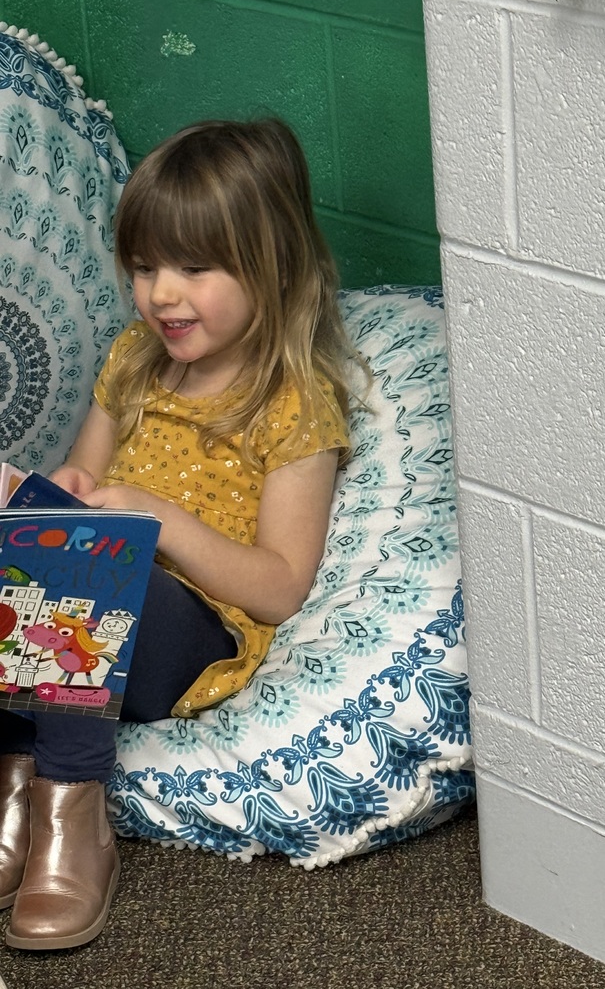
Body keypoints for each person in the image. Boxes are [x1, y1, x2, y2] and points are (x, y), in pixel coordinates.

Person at [0, 118, 364, 950]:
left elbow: (280, 586)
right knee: (33, 550)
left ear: (271, 266)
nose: (162, 293)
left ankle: (72, 817)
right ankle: (13, 780)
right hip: (84, 613)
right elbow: (81, 478)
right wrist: (55, 494)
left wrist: (155, 519)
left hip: (191, 630)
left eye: (194, 269)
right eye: (145, 267)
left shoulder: (292, 402)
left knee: (79, 568)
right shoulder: (135, 359)